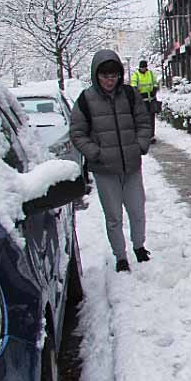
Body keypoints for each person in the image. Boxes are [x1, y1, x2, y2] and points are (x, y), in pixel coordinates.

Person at [70, 50, 152, 273]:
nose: (109, 81)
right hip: (105, 170)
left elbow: (144, 123)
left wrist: (140, 145)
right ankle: (120, 256)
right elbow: (77, 133)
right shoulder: (86, 100)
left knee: (137, 210)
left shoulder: (130, 95)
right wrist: (95, 153)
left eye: (113, 76)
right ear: (96, 75)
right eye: (105, 76)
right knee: (113, 216)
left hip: (131, 166)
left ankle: (139, 246)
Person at [130, 59, 159, 142]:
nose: (143, 69)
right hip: (141, 101)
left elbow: (155, 83)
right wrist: (137, 92)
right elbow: (134, 85)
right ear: (140, 68)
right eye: (142, 67)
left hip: (151, 99)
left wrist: (154, 89)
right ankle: (144, 136)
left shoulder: (150, 73)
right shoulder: (136, 75)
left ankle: (151, 136)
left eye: (145, 67)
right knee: (143, 119)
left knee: (151, 118)